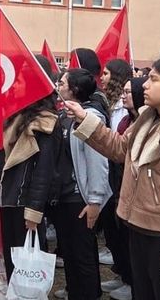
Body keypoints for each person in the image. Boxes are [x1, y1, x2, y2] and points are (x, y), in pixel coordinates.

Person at [63, 57, 160, 300]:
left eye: (154, 79)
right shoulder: (148, 119)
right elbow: (120, 148)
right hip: (139, 228)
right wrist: (84, 119)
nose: (144, 84)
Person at [0, 55, 59, 277]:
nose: (14, 85)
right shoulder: (15, 116)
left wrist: (34, 211)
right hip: (8, 196)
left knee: (28, 265)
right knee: (12, 258)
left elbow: (44, 170)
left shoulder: (46, 122)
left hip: (25, 201)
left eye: (19, 80)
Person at [50, 68, 112, 300]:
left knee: (82, 254)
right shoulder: (63, 115)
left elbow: (98, 161)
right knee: (69, 252)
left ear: (74, 89)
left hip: (81, 197)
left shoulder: (89, 117)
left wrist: (95, 200)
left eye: (62, 83)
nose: (58, 86)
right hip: (63, 196)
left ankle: (88, 294)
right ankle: (74, 292)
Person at [98, 59, 134, 299]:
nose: (102, 77)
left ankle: (131, 280)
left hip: (120, 175)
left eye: (107, 73)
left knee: (123, 233)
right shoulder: (108, 103)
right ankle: (121, 273)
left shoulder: (129, 112)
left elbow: (118, 143)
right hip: (110, 172)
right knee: (112, 230)